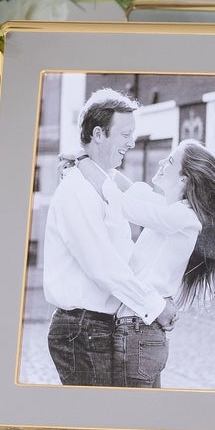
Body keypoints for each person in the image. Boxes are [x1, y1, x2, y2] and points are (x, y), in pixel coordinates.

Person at [41, 88, 170, 386]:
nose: (132, 142)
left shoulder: (105, 184)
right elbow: (103, 267)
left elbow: (145, 200)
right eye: (125, 133)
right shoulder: (76, 191)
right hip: (82, 329)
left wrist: (83, 159)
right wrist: (155, 307)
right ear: (99, 134)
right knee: (99, 425)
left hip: (98, 326)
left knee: (115, 423)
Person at [93, 140, 215, 386]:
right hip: (141, 330)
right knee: (142, 418)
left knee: (129, 418)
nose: (161, 162)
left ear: (184, 180)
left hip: (137, 330)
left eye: (170, 161)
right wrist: (94, 162)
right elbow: (130, 190)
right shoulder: (173, 211)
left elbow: (123, 204)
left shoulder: (183, 217)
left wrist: (84, 163)